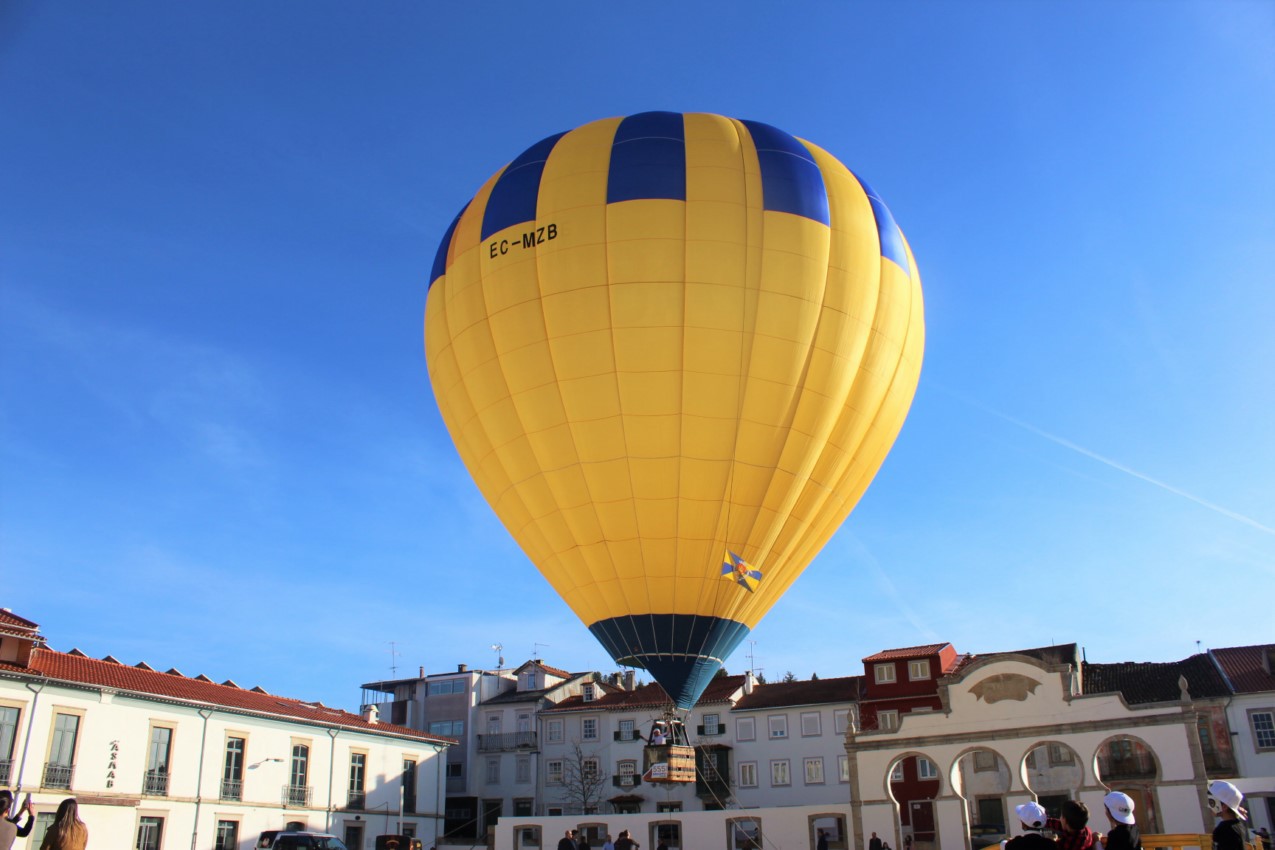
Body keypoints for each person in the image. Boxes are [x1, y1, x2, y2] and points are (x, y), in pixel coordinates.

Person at [1208, 780, 1248, 850]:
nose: (1209, 806)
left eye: (1211, 802)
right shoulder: (1239, 825)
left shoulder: (1223, 830)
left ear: (1224, 806)